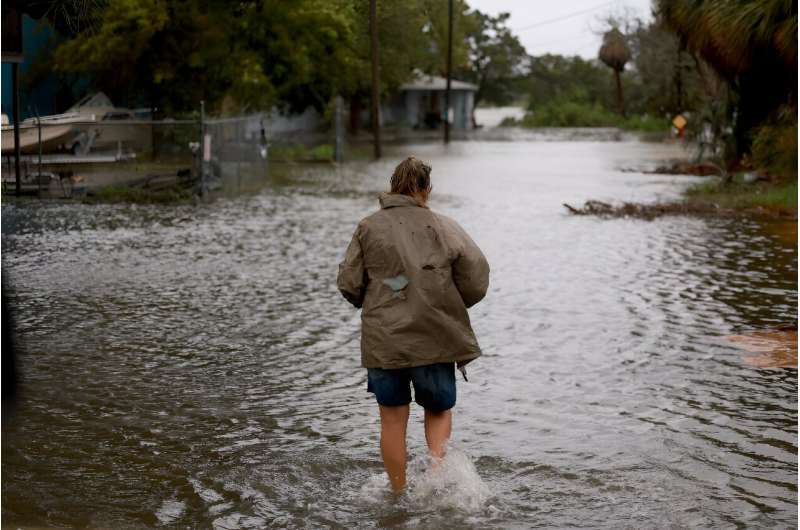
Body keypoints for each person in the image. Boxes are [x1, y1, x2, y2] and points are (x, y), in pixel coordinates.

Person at [337, 156, 490, 493]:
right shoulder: (444, 226)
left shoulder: (367, 227)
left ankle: (396, 494)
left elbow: (349, 284)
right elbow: (477, 278)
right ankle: (435, 488)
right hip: (435, 336)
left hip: (384, 340)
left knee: (392, 420)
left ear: (393, 186)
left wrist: (376, 301)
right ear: (426, 189)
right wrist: (448, 300)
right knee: (437, 410)